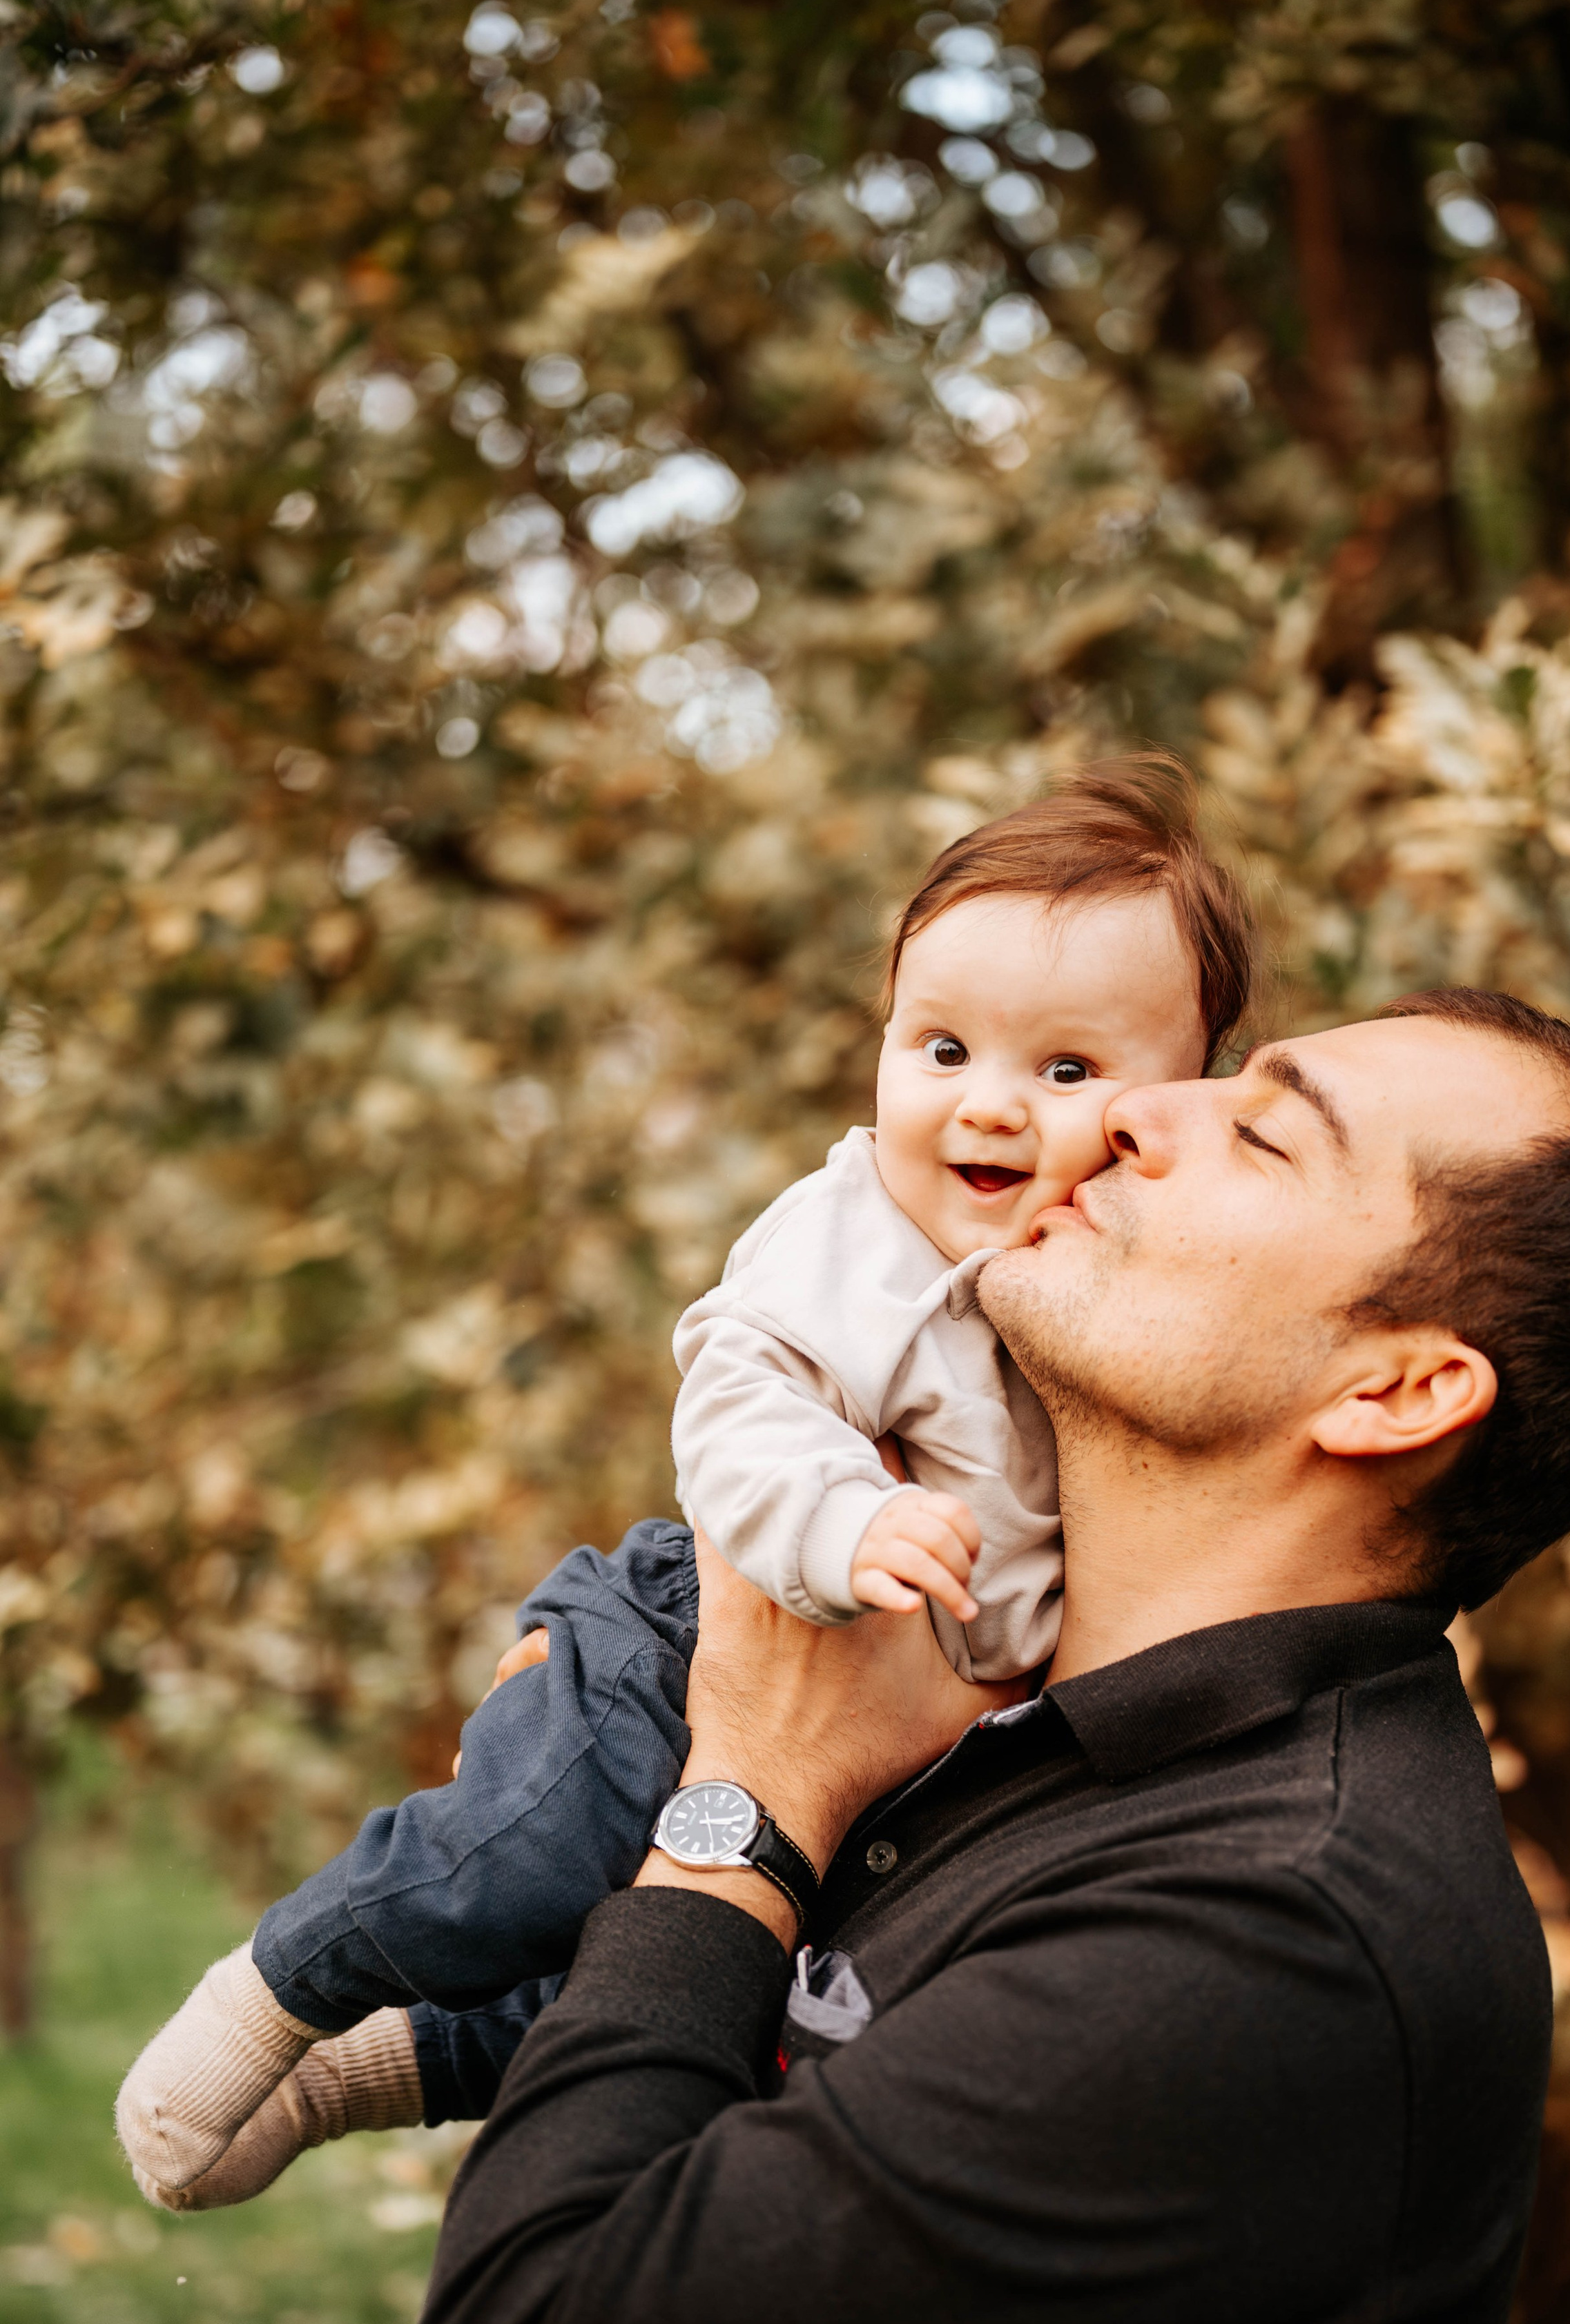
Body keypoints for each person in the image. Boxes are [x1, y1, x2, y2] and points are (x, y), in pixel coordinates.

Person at [389, 988, 1570, 2324]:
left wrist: (741, 1807)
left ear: (1392, 1394)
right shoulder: (1014, 1727)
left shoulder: (1276, 1926)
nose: (1125, 1114)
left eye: (1258, 1131)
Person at [115, 757, 1254, 2204]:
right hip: (700, 1619)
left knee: (765, 1973)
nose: (988, 1109)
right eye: (942, 1048)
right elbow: (738, 1400)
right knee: (531, 1855)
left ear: (1185, 1093)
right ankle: (275, 1989)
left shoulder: (1122, 1271)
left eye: (1068, 1071)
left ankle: (387, 2063)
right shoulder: (852, 1234)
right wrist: (841, 1520)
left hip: (922, 1702)